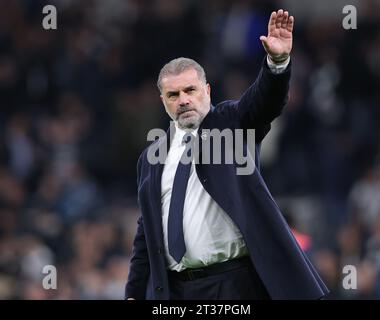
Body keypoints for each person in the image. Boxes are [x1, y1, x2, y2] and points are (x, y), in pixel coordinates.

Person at [125, 9, 329, 300]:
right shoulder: (150, 157)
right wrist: (133, 293)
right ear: (163, 102)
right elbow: (146, 232)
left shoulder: (232, 123)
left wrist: (277, 61)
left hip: (233, 284)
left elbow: (263, 101)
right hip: (176, 291)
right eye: (173, 95)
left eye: (190, 90)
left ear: (207, 91)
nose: (183, 100)